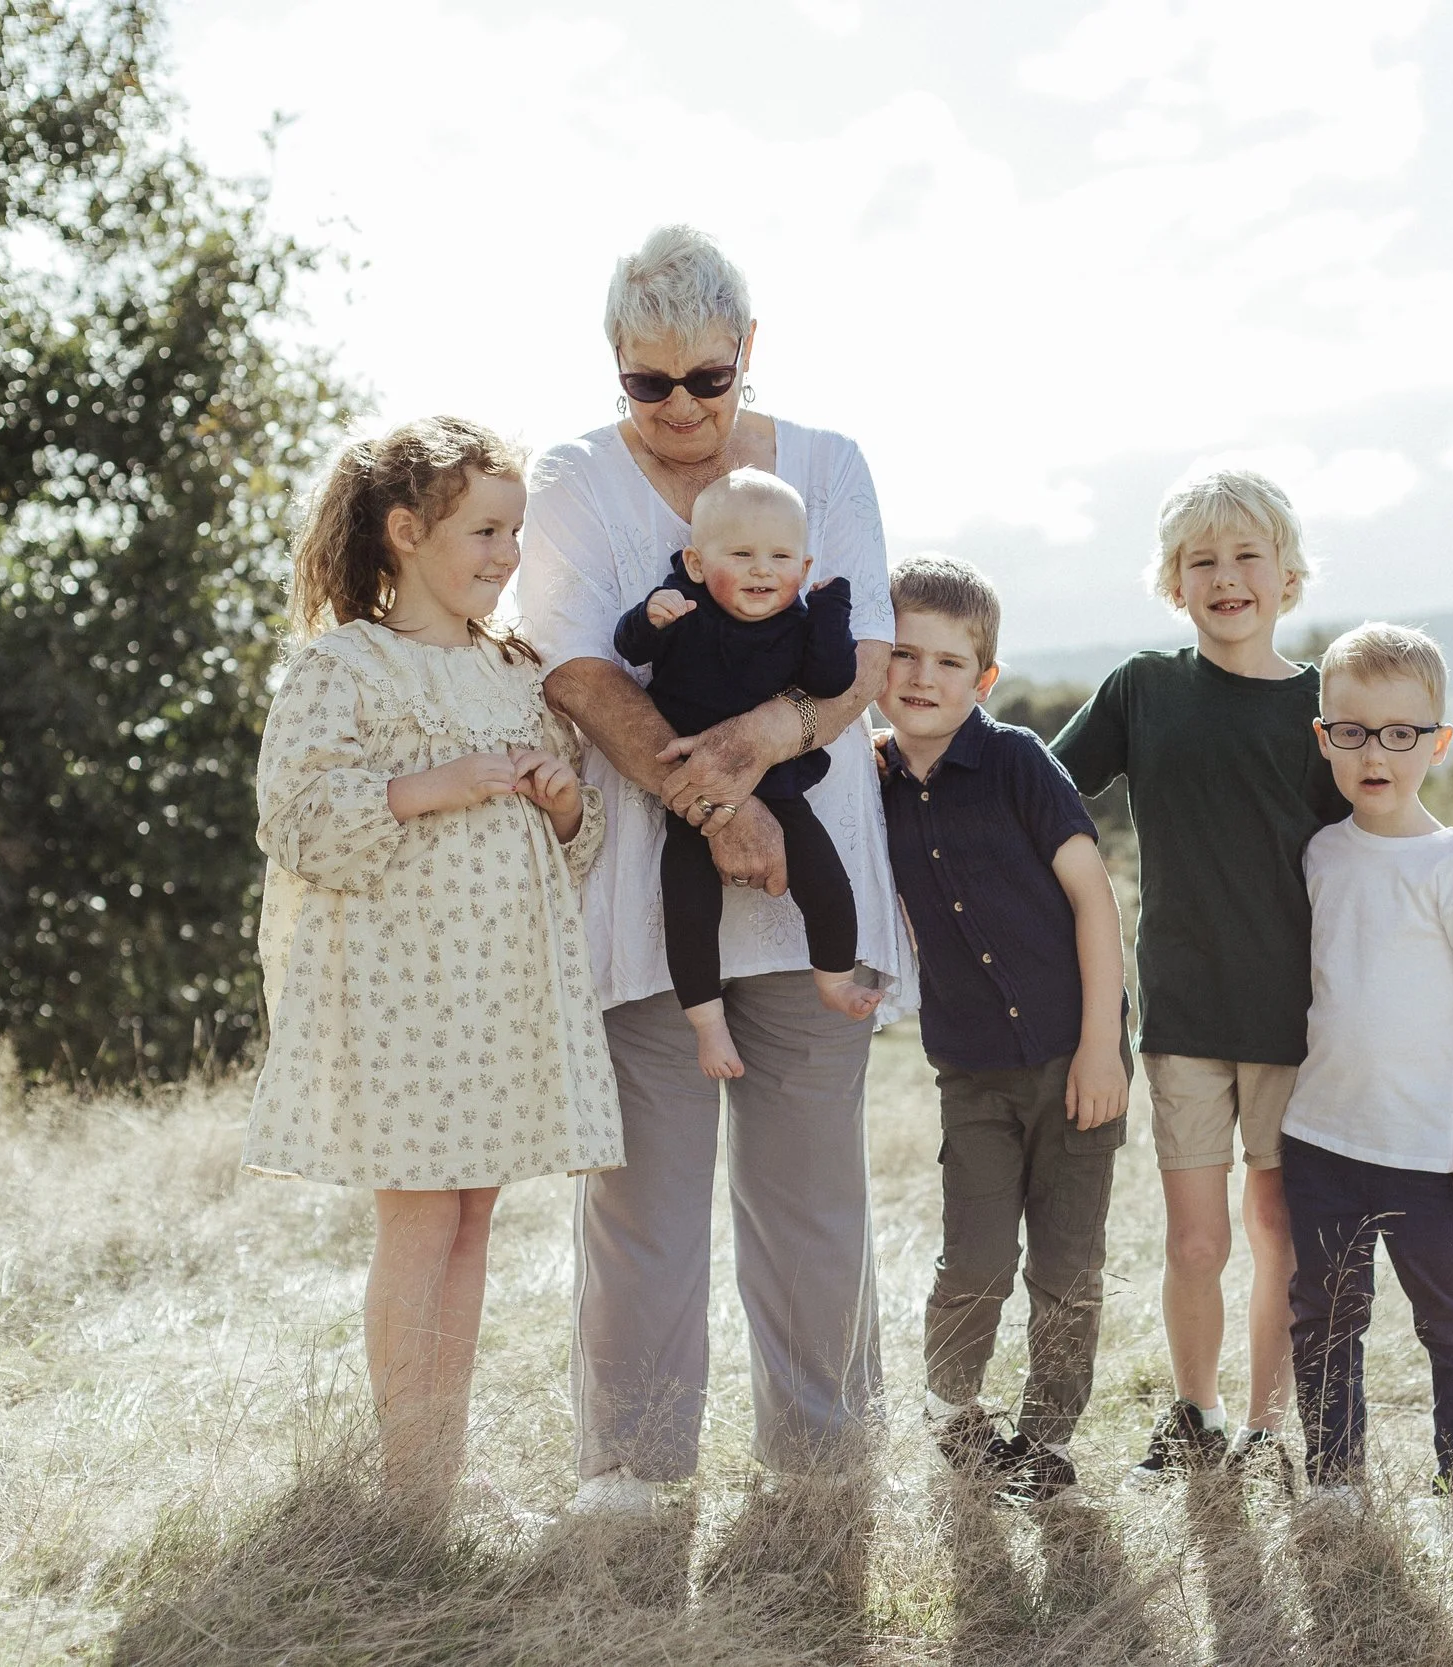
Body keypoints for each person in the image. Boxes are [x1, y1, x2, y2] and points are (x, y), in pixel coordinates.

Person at [517, 225, 913, 1514]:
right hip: (647, 894)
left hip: (812, 882)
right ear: (612, 363)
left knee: (812, 1196)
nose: (680, 406)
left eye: (707, 376)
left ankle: (822, 1460)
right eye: (648, 381)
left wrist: (749, 758)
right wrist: (710, 806)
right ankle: (634, 1467)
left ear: (750, 348)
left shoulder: (830, 464)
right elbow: (578, 669)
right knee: (643, 1198)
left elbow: (860, 658)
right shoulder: (574, 480)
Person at [1050, 469, 1453, 1492]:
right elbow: (1042, 789)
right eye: (1202, 560)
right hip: (1180, 1017)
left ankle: (1266, 1430)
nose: (1227, 577)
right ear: (1174, 581)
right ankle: (1196, 1413)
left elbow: (1390, 811)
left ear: (1288, 576)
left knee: (1279, 1240)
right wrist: (934, 752)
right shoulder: (1143, 689)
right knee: (1194, 1239)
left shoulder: (1321, 708)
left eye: (1248, 556)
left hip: (1298, 1029)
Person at [243, 416, 621, 1523]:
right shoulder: (344, 666)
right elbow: (299, 820)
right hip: (401, 993)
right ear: (407, 532)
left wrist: (563, 804)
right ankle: (411, 1483)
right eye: (485, 531)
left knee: (471, 1217)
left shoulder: (514, 673)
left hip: (498, 991)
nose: (508, 554)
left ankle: (439, 1461)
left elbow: (576, 845)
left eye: (515, 531)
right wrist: (431, 784)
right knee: (418, 1219)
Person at [875, 556, 1129, 1509]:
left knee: (1066, 1266)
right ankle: (954, 1415)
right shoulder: (869, 780)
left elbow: (1094, 901)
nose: (923, 677)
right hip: (973, 1070)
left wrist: (1100, 1047)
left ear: (982, 678)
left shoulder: (1018, 759)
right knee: (976, 1261)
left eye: (949, 661)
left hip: (1075, 1057)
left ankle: (1046, 1440)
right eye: (904, 654)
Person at [1281, 622, 1453, 1559]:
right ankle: (1336, 1482)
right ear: (1324, 737)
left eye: (1401, 733)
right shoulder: (1319, 854)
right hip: (1323, 1139)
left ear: (1439, 743)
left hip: (1432, 1155)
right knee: (1326, 1319)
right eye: (1351, 732)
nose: (1374, 753)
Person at [613, 468, 880, 1078]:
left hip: (777, 785)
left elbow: (832, 680)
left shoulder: (802, 621)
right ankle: (708, 1028)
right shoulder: (684, 608)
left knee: (826, 881)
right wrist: (649, 617)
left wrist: (831, 609)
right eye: (741, 555)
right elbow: (630, 649)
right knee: (688, 908)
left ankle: (835, 979)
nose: (762, 570)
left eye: (780, 557)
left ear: (804, 568)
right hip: (692, 787)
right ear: (697, 563)